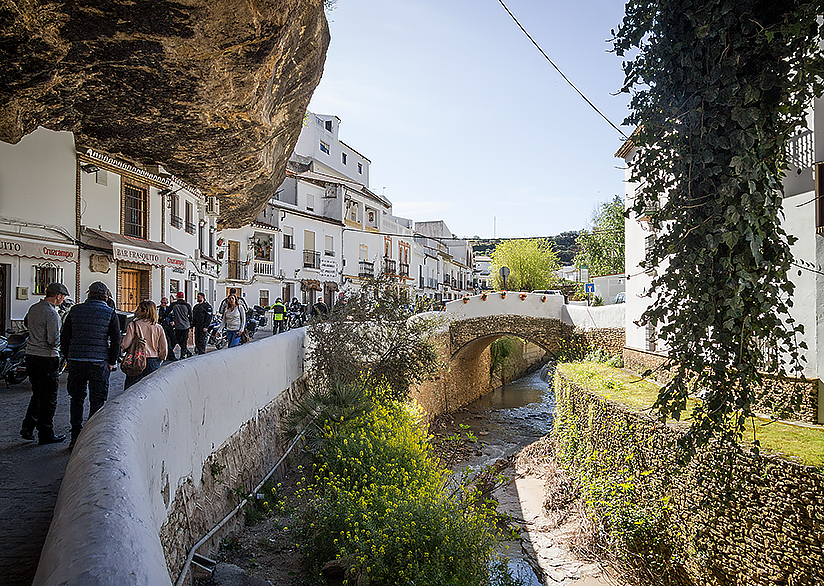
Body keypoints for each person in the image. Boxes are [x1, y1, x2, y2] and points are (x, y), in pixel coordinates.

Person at [61, 281, 121, 448]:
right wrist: (111, 361)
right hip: (99, 362)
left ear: (89, 294)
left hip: (77, 361)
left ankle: (75, 436)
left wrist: (68, 356)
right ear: (106, 296)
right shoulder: (110, 313)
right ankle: (91, 438)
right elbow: (116, 340)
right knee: (97, 401)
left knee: (77, 399)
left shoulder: (75, 310)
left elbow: (65, 336)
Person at [20, 282, 69, 444]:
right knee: (49, 398)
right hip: (47, 357)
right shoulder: (52, 314)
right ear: (58, 296)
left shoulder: (34, 308)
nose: (63, 300)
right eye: (63, 297)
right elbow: (53, 340)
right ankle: (45, 433)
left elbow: (27, 324)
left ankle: (28, 427)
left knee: (38, 393)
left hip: (31, 355)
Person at [120, 300, 167, 389]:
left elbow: (125, 344)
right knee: (150, 389)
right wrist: (161, 359)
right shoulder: (158, 327)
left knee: (131, 388)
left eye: (138, 309)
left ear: (144, 311)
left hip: (136, 360)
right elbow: (163, 347)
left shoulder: (133, 325)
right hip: (153, 360)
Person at [168, 291, 193, 359]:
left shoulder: (174, 305)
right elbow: (191, 316)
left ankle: (171, 353)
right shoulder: (187, 305)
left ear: (177, 297)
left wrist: (162, 320)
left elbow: (167, 312)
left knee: (177, 340)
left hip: (178, 326)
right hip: (186, 326)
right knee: (184, 341)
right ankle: (183, 354)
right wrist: (191, 325)